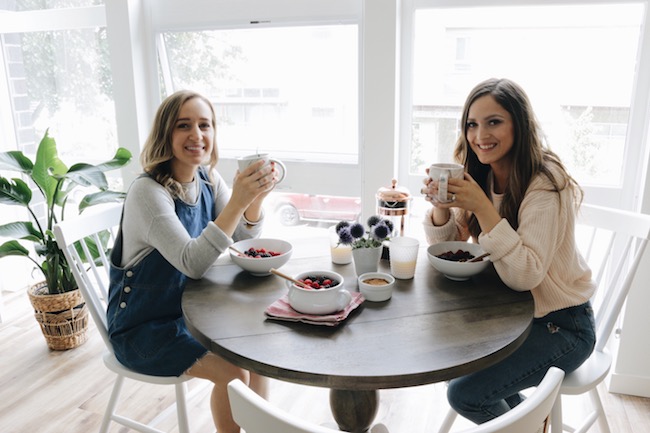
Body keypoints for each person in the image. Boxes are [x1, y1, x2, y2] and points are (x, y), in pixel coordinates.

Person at [421, 78, 596, 425]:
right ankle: (528, 421)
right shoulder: (481, 173)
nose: (479, 135)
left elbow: (524, 275)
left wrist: (484, 209)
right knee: (442, 355)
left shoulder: (545, 182)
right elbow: (451, 244)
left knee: (465, 393)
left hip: (562, 325)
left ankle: (524, 425)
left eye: (494, 122)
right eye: (472, 124)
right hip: (508, 314)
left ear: (520, 124)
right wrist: (440, 205)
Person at [107, 90, 276, 433]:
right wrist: (237, 202)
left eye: (205, 125)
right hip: (143, 330)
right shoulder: (148, 193)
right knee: (233, 374)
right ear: (166, 134)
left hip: (191, 315)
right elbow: (193, 263)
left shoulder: (207, 179)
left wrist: (253, 199)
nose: (197, 135)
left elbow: (245, 241)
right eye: (184, 126)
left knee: (260, 356)